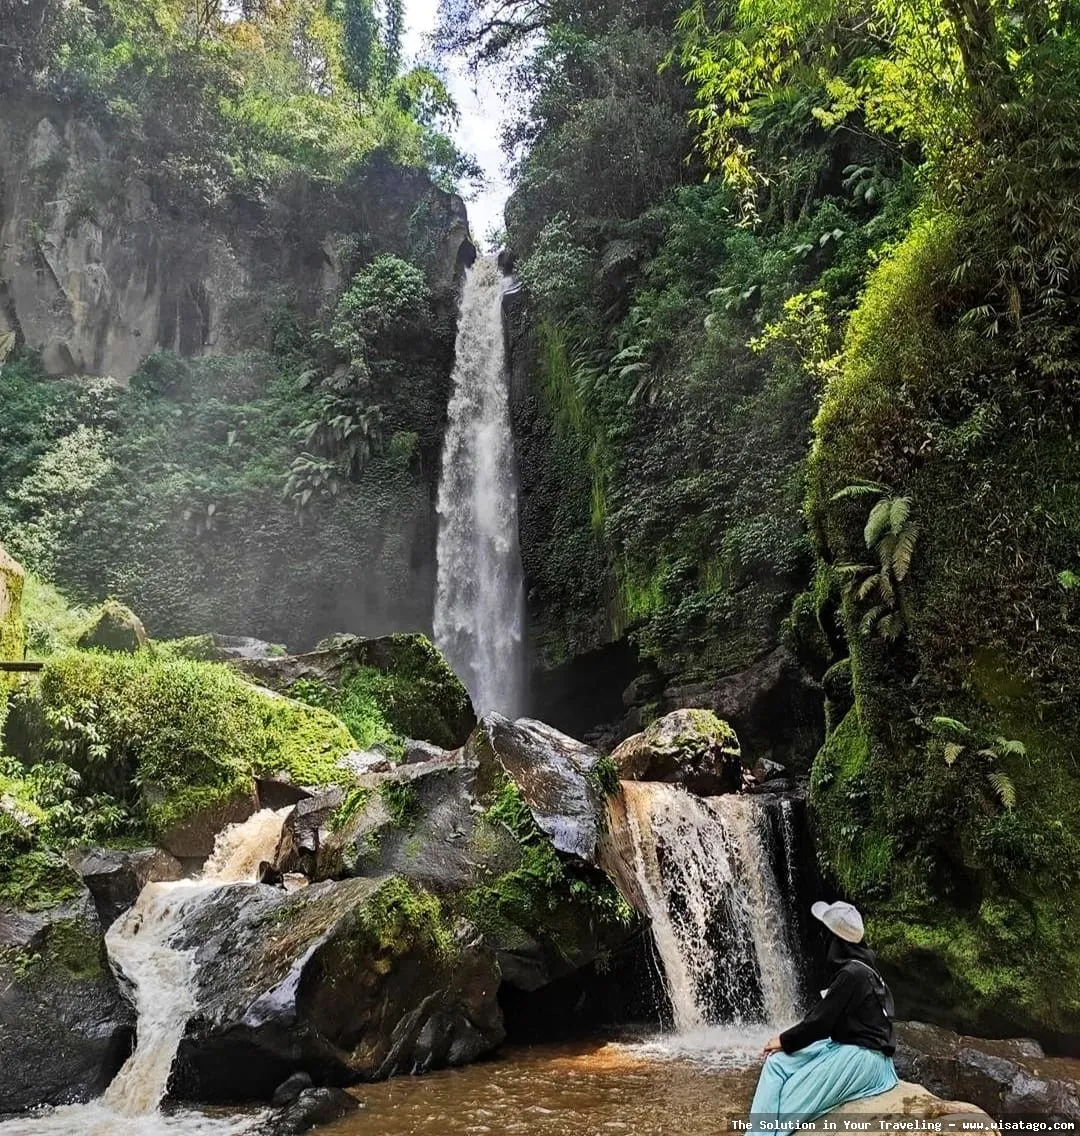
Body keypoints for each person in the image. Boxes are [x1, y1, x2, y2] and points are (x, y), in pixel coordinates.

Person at [748, 900, 899, 1130]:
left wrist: (784, 1039)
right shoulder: (864, 967)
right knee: (776, 1063)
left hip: (865, 1059)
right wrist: (786, 1042)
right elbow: (823, 1018)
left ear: (836, 940)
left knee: (788, 1106)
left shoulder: (852, 974)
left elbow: (820, 1022)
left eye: (827, 934)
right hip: (845, 1045)